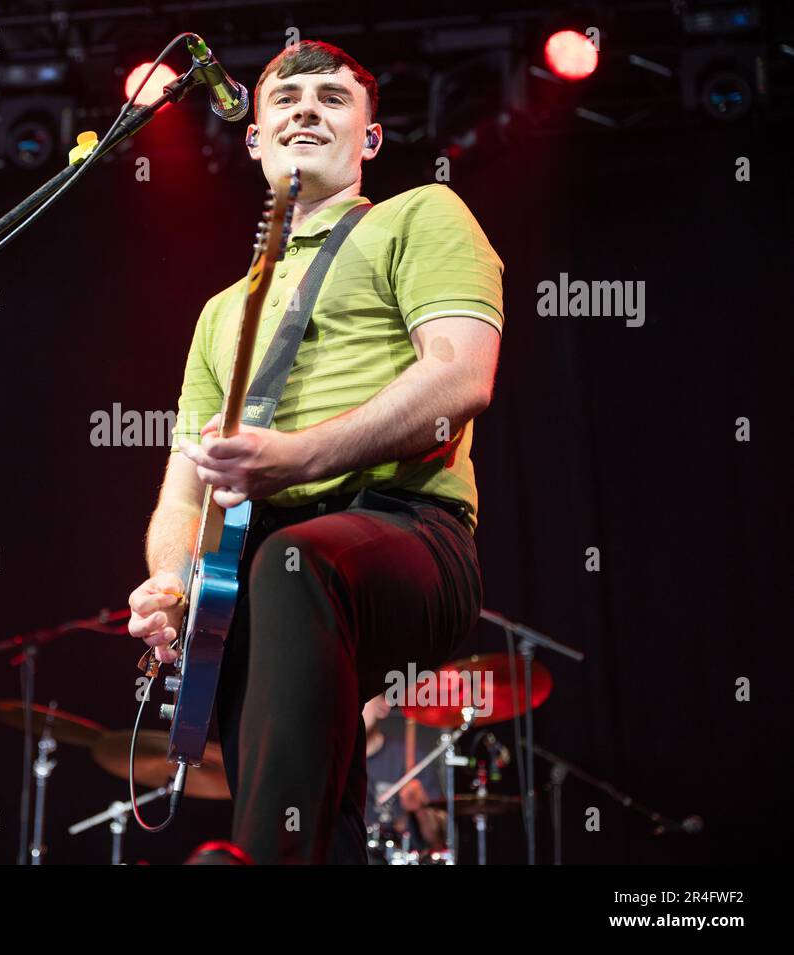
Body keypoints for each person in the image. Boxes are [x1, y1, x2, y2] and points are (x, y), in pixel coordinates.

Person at [127, 39, 503, 863]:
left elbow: (460, 378)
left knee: (294, 562)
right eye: (286, 99)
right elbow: (183, 490)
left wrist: (296, 458)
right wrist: (172, 576)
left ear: (370, 140)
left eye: (333, 99)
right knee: (317, 803)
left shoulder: (422, 215)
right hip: (255, 575)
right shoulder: (221, 311)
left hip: (406, 531)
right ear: (254, 139)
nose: (306, 108)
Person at [361, 694, 447, 857]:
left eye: (363, 699)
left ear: (383, 707)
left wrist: (421, 809)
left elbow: (437, 841)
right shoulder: (332, 761)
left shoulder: (412, 759)